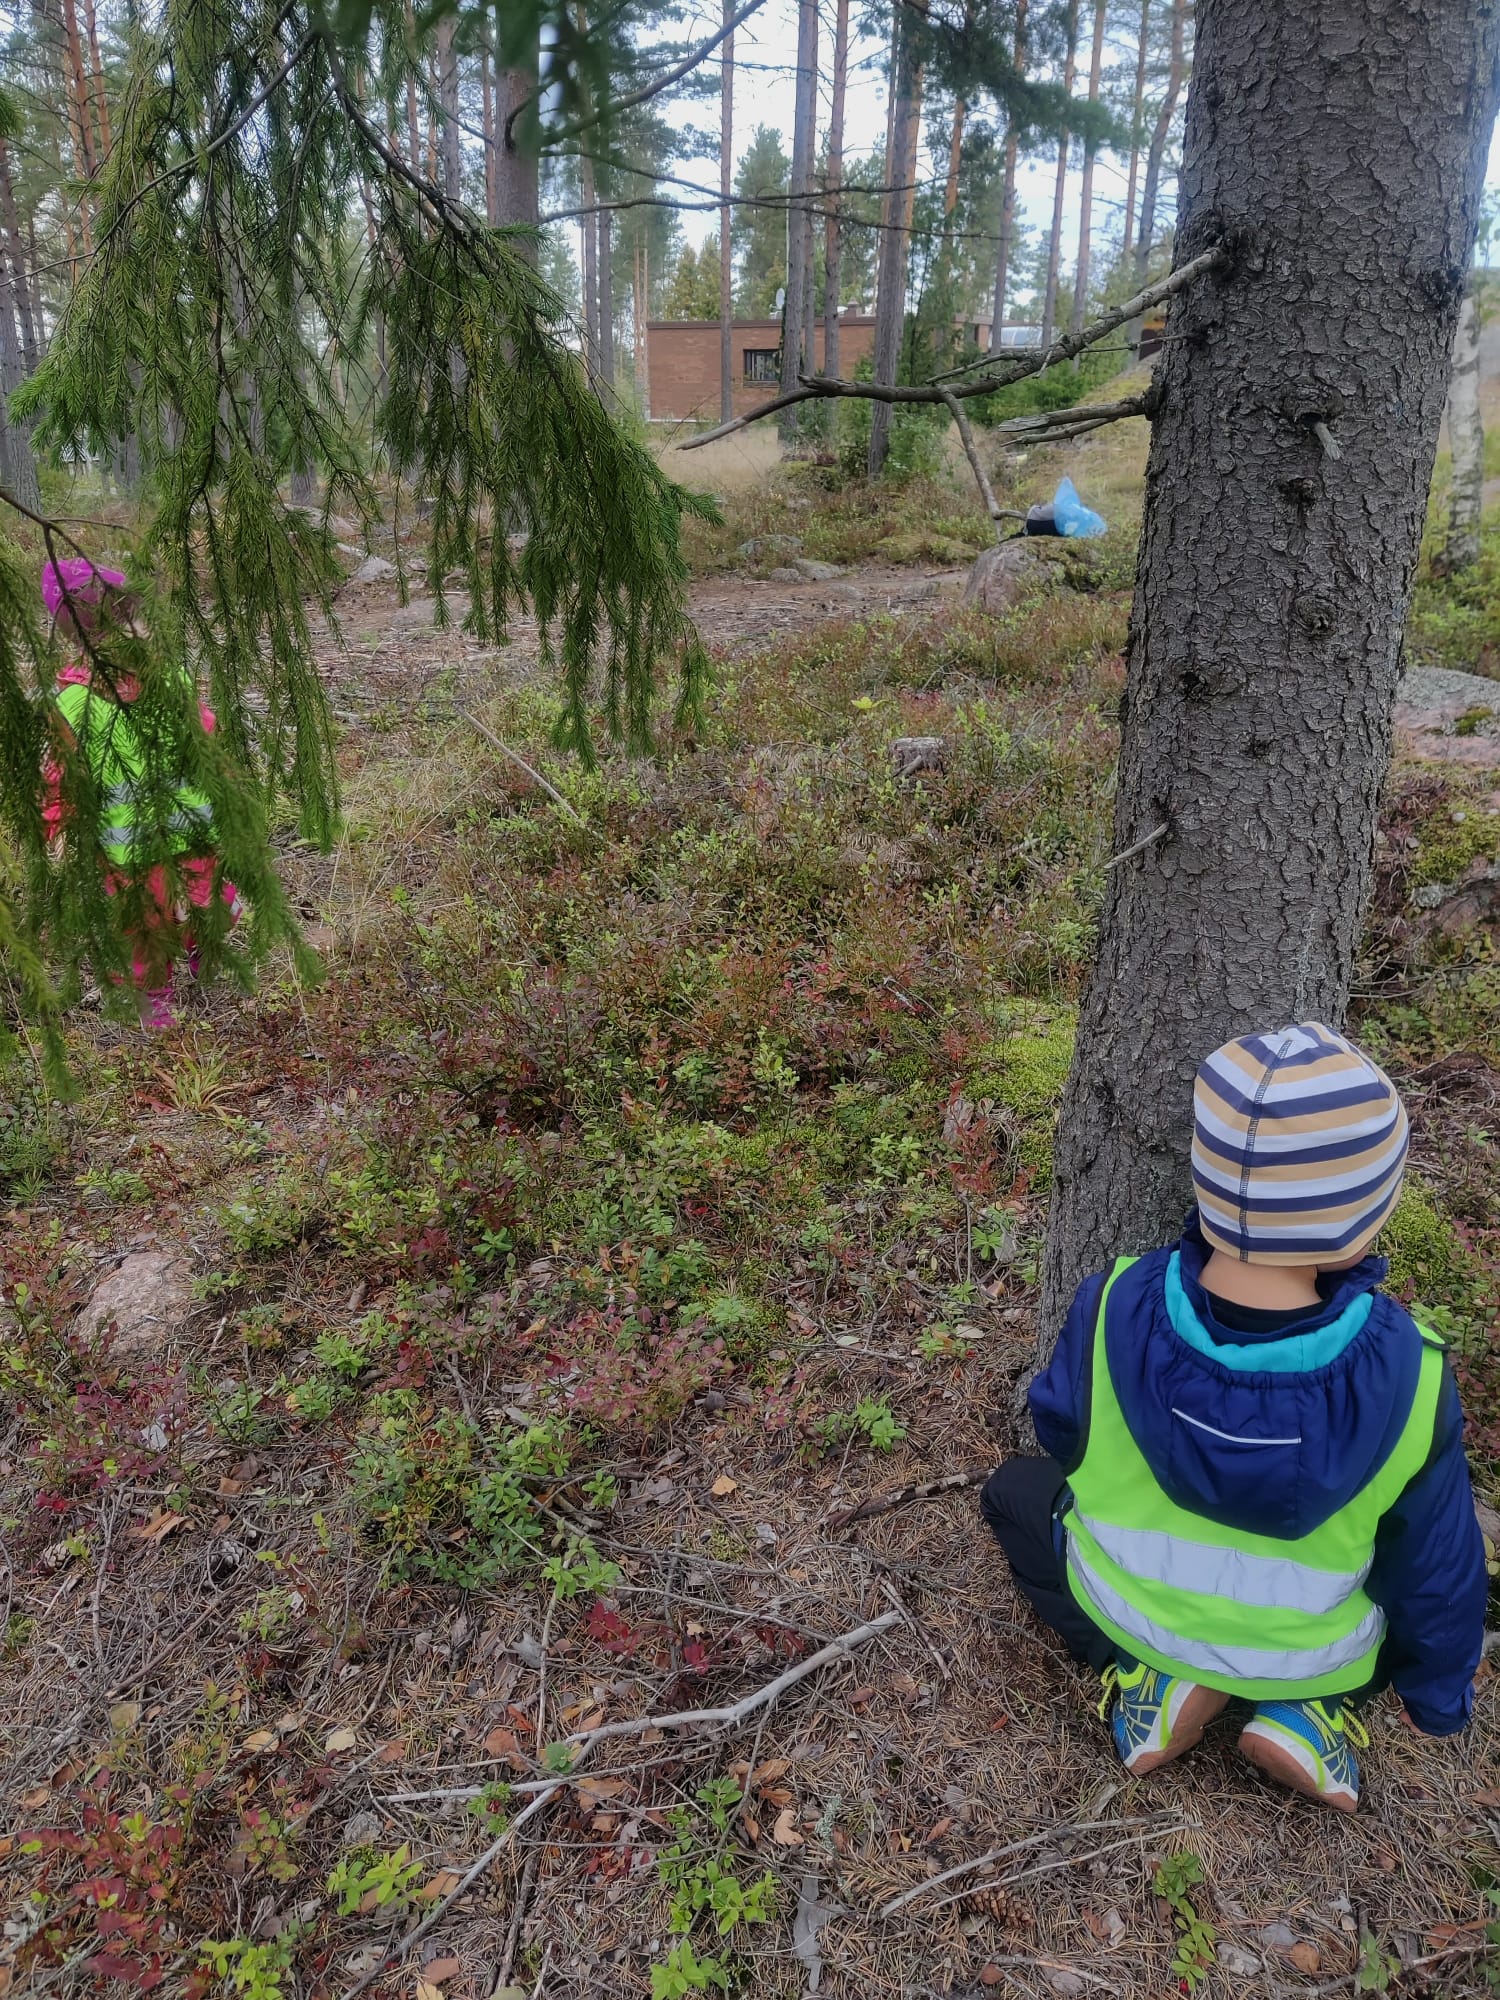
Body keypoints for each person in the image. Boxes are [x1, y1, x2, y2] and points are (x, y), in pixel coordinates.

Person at [982, 1022, 1488, 1813]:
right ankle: (1312, 1714)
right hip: (1312, 1649)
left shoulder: (1114, 1302)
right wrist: (1438, 1701)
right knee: (1399, 1577)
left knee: (1012, 1493)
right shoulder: (1409, 1371)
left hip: (1140, 1614)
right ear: (1356, 1224)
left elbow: (1059, 1429)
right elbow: (1439, 1568)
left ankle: (1150, 1681)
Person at [41, 557, 241, 1029]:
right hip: (127, 853)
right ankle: (153, 997)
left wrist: (227, 791)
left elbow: (205, 739)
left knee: (211, 902)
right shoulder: (71, 704)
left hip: (192, 832)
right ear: (83, 640)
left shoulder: (170, 680)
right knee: (141, 930)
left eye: (133, 618)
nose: (134, 632)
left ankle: (204, 947)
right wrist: (57, 825)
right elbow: (60, 776)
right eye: (116, 624)